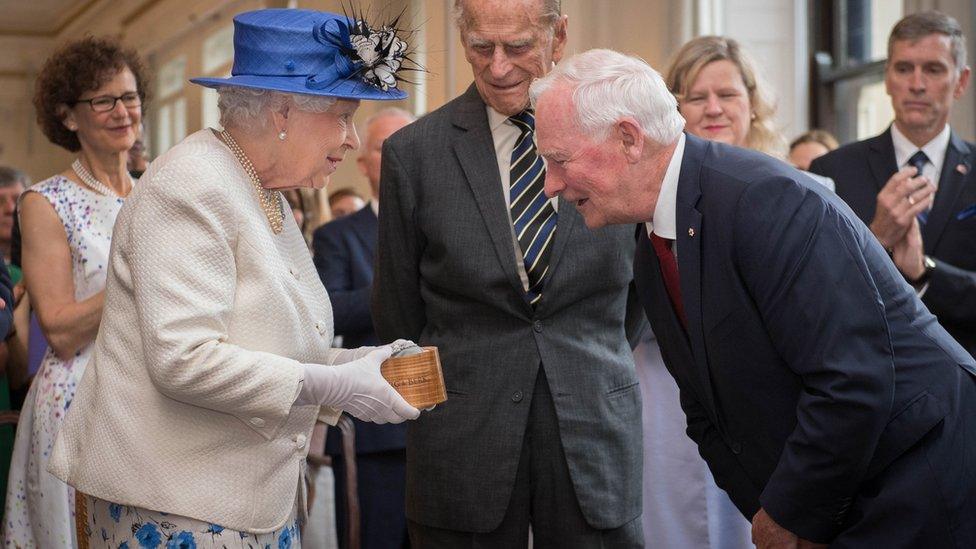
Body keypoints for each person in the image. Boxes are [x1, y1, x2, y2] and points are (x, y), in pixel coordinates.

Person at [532, 47, 976, 548]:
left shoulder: (764, 200)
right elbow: (705, 409)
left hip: (917, 477)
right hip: (848, 487)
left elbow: (853, 378)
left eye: (559, 160)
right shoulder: (652, 239)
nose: (550, 185)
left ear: (629, 138)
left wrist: (789, 515)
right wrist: (770, 512)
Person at [47, 9, 422, 546]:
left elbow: (263, 342)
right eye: (343, 116)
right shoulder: (191, 184)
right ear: (282, 114)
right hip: (181, 506)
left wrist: (361, 365)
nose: (352, 139)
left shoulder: (258, 186)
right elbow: (185, 359)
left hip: (241, 501)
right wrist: (337, 382)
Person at [372, 0, 644, 546]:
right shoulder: (414, 155)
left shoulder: (620, 140)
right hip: (461, 447)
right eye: (480, 47)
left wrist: (583, 357)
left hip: (593, 434)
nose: (498, 68)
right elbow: (399, 317)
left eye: (518, 47)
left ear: (558, 36)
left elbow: (634, 303)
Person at [0, 36, 146, 547]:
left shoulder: (160, 195)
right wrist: (143, 277)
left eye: (128, 97)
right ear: (67, 116)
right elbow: (59, 330)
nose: (122, 111)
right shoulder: (46, 200)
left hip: (158, 393)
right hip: (80, 400)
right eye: (102, 100)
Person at [809, 10, 976, 358]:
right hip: (868, 378)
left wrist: (925, 272)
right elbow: (818, 289)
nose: (916, 84)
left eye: (933, 69)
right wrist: (877, 239)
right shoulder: (832, 170)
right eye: (903, 68)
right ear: (887, 78)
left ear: (961, 81)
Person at [312, 107, 414, 549]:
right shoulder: (340, 236)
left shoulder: (448, 226)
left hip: (450, 425)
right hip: (376, 430)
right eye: (384, 148)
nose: (398, 158)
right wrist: (399, 287)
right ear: (364, 162)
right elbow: (327, 311)